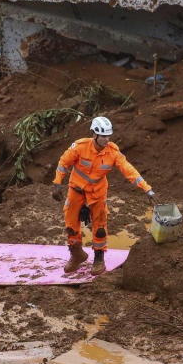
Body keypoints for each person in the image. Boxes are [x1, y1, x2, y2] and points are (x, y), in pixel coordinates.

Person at [53, 116, 157, 275]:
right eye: (103, 136)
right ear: (94, 135)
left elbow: (129, 170)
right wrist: (57, 183)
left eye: (108, 136)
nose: (107, 139)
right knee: (70, 224)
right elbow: (63, 162)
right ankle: (76, 254)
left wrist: (147, 189)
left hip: (97, 193)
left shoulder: (112, 152)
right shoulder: (80, 147)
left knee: (100, 226)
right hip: (77, 191)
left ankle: (99, 258)